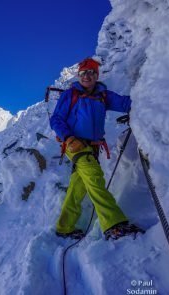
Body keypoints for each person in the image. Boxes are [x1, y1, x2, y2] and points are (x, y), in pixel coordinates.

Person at [50, 57, 143, 240]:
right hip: (74, 144)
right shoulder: (70, 94)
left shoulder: (103, 95)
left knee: (79, 186)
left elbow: (125, 103)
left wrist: (143, 105)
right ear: (79, 76)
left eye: (91, 72)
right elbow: (56, 119)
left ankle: (64, 227)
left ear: (96, 75)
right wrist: (69, 138)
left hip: (92, 147)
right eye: (84, 73)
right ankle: (114, 224)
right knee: (94, 177)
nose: (87, 76)